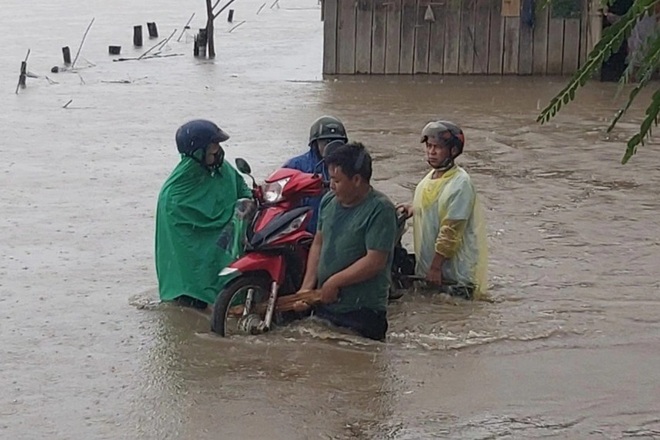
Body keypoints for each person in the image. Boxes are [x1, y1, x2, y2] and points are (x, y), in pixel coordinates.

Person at [295, 142, 398, 341]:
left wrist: (334, 282)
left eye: (337, 180)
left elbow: (375, 261)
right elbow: (318, 243)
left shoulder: (381, 209)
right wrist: (306, 288)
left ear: (357, 179)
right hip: (325, 304)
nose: (331, 185)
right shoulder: (327, 201)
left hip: (362, 313)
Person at [155, 119, 253, 310]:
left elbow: (244, 191)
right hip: (189, 272)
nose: (218, 150)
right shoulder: (174, 193)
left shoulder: (224, 170)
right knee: (190, 307)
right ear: (198, 151)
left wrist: (248, 204)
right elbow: (185, 242)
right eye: (213, 145)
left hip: (222, 245)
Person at [397, 121, 488, 300]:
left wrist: (436, 267)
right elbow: (435, 206)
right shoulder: (430, 179)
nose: (431, 152)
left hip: (453, 276)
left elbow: (451, 231)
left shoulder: (460, 184)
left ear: (453, 151)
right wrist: (413, 208)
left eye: (437, 147)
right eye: (429, 146)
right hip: (430, 270)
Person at [282, 115, 349, 233]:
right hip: (303, 228)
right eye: (326, 142)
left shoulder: (350, 166)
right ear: (315, 144)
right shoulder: (296, 165)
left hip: (336, 227)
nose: (331, 147)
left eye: (336, 142)